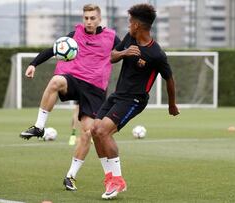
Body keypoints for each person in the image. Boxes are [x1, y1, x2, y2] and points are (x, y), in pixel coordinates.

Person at [19, 4, 120, 191]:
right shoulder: (76, 34)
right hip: (73, 79)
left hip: (95, 90)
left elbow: (123, 53)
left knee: (88, 133)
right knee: (56, 80)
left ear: (99, 19)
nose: (88, 21)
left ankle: (70, 176)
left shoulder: (111, 37)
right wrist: (34, 64)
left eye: (92, 18)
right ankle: (39, 127)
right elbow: (53, 49)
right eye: (86, 18)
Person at [90, 3, 180, 199]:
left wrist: (171, 104)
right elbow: (112, 56)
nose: (128, 24)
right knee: (94, 131)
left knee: (104, 131)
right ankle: (109, 177)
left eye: (130, 21)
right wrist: (124, 53)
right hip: (117, 95)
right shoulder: (130, 38)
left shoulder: (156, 53)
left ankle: (118, 181)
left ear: (138, 25)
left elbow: (169, 79)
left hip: (134, 100)